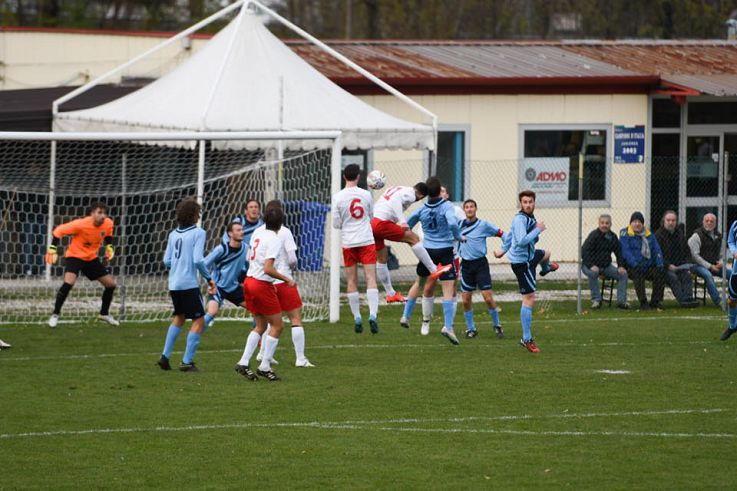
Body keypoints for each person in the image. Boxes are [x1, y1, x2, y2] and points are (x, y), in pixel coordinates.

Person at [234, 204, 295, 381]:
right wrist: (286, 279)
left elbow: (249, 257)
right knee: (277, 325)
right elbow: (268, 268)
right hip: (261, 284)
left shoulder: (257, 233)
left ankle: (244, 362)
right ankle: (265, 366)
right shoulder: (275, 239)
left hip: (249, 281)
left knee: (260, 325)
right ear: (281, 223)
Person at [157, 198, 216, 372]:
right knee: (199, 320)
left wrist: (178, 263)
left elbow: (166, 260)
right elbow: (198, 259)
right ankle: (186, 362)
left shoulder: (173, 234)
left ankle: (165, 357)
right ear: (194, 215)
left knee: (180, 317)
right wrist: (209, 278)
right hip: (188, 283)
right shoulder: (198, 233)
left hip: (174, 283)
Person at [255, 201, 314, 368]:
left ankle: (262, 354)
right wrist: (291, 269)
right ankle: (300, 358)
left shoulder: (257, 232)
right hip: (283, 280)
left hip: (264, 281)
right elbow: (293, 258)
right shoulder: (284, 231)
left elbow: (250, 257)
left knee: (270, 321)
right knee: (295, 318)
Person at [45, 202, 119, 328]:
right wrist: (52, 248)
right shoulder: (80, 224)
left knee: (111, 285)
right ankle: (55, 314)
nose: (103, 216)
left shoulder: (108, 223)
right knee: (69, 283)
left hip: (91, 258)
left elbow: (108, 234)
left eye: (105, 213)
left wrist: (109, 246)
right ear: (92, 214)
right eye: (99, 212)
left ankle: (104, 314)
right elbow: (58, 231)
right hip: (75, 256)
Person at [406, 176, 462, 345]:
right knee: (447, 288)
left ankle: (406, 316)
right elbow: (453, 224)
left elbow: (407, 225)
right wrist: (458, 236)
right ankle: (447, 326)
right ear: (439, 192)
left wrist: (411, 240)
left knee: (421, 283)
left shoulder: (422, 208)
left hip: (428, 251)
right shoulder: (447, 207)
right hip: (444, 250)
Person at [503, 190, 558, 353]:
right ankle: (526, 339)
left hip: (530, 257)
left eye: (530, 202)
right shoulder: (520, 219)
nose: (528, 205)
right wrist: (538, 230)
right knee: (529, 298)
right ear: (521, 204)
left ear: (534, 202)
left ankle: (546, 268)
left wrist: (501, 250)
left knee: (546, 254)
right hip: (522, 264)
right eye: (525, 202)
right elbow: (521, 241)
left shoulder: (529, 217)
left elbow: (510, 235)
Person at [331, 164, 381, 334]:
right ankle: (373, 314)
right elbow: (371, 217)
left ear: (344, 177)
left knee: (352, 281)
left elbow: (336, 223)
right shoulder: (366, 194)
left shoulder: (337, 197)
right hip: (366, 240)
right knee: (370, 278)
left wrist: (346, 223)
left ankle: (357, 317)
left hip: (349, 242)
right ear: (358, 177)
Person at [371, 181, 439, 303]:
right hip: (381, 222)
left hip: (372, 222)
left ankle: (390, 294)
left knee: (382, 258)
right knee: (414, 238)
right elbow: (395, 200)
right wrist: (402, 221)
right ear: (421, 196)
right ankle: (433, 269)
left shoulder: (398, 187)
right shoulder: (412, 194)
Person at [457, 199, 505, 339]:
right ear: (464, 210)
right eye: (467, 207)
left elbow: (502, 234)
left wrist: (503, 249)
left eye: (472, 206)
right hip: (466, 266)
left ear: (476, 209)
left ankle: (497, 325)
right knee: (466, 300)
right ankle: (471, 329)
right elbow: (449, 238)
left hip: (480, 265)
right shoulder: (458, 226)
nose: (469, 209)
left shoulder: (483, 225)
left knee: (488, 298)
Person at [201, 221, 249, 332]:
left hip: (233, 287)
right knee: (212, 312)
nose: (242, 232)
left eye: (242, 230)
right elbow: (204, 265)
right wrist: (209, 282)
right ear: (230, 234)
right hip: (218, 287)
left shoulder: (246, 248)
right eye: (238, 230)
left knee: (258, 309)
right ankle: (194, 334)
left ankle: (261, 338)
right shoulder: (221, 249)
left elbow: (249, 266)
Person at [581, 214, 629, 310]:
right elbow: (584, 251)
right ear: (598, 224)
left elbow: (619, 252)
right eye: (602, 223)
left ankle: (621, 302)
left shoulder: (613, 237)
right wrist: (591, 265)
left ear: (610, 224)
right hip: (589, 265)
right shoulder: (593, 235)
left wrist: (620, 266)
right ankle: (596, 301)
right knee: (593, 273)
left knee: (623, 275)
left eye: (607, 223)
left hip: (606, 266)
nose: (604, 225)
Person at [619, 211, 665, 310]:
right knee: (638, 274)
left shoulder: (649, 235)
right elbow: (626, 251)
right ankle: (643, 302)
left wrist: (659, 263)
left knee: (660, 273)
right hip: (632, 266)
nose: (637, 224)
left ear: (642, 224)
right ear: (630, 223)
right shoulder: (625, 234)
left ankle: (655, 301)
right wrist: (635, 264)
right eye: (634, 222)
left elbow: (657, 250)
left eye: (639, 222)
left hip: (648, 265)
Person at [655, 211, 699, 308]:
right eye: (668, 220)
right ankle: (682, 301)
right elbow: (657, 255)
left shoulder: (679, 234)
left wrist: (687, 264)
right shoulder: (658, 235)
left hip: (680, 265)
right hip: (664, 267)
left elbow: (687, 251)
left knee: (687, 276)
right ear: (663, 221)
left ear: (676, 222)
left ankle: (689, 299)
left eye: (673, 220)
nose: (671, 222)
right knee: (673, 277)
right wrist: (668, 265)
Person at [689, 213, 729, 306]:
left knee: (732, 274)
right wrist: (710, 266)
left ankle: (733, 298)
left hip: (714, 265)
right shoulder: (696, 236)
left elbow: (722, 254)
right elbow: (695, 256)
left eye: (712, 221)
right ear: (703, 222)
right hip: (696, 265)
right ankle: (718, 301)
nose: (709, 223)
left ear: (715, 223)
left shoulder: (719, 236)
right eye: (707, 221)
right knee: (707, 275)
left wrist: (721, 263)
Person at [721, 219, 737, 341]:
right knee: (732, 300)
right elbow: (730, 241)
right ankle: (732, 326)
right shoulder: (735, 224)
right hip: (736, 270)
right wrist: (734, 251)